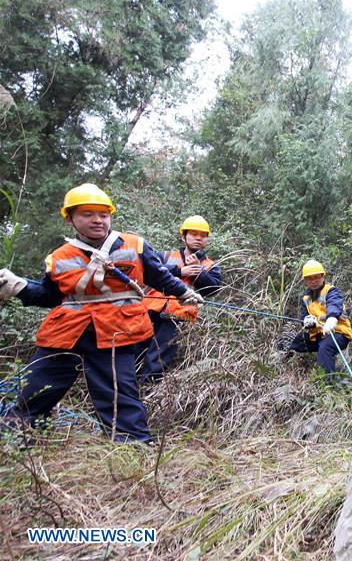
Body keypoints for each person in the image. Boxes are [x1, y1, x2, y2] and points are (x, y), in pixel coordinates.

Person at [0, 184, 203, 443]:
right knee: (35, 390)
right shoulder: (59, 257)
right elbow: (51, 296)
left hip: (116, 333)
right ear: (70, 218)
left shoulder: (135, 245)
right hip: (65, 334)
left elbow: (159, 275)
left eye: (103, 214)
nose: (97, 220)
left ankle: (133, 448)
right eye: (87, 214)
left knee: (119, 396)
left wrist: (184, 293)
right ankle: (16, 442)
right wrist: (20, 287)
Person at [138, 215, 223, 383]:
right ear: (184, 236)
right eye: (194, 234)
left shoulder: (210, 266)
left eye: (203, 235)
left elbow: (213, 289)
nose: (198, 238)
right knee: (135, 351)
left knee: (158, 359)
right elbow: (147, 271)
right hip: (148, 310)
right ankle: (125, 389)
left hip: (178, 316)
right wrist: (179, 271)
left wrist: (199, 273)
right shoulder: (165, 256)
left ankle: (145, 389)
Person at [279, 259, 352, 386]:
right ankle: (280, 371)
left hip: (338, 333)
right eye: (309, 278)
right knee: (287, 342)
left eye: (316, 277)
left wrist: (331, 320)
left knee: (325, 347)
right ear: (305, 280)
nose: (313, 281)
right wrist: (307, 321)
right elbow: (303, 317)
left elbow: (334, 306)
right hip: (317, 335)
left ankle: (326, 385)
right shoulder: (306, 298)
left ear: (323, 276)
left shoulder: (332, 291)